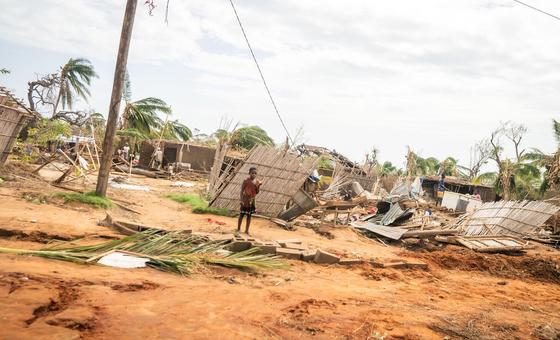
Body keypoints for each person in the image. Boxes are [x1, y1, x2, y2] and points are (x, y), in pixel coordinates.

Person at [238, 167, 262, 234]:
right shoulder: (246, 181)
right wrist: (241, 199)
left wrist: (258, 186)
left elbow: (257, 192)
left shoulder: (257, 182)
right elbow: (242, 190)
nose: (253, 174)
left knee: (249, 216)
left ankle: (246, 230)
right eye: (252, 173)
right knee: (241, 214)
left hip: (252, 200)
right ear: (249, 173)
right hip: (245, 199)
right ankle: (238, 229)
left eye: (255, 173)